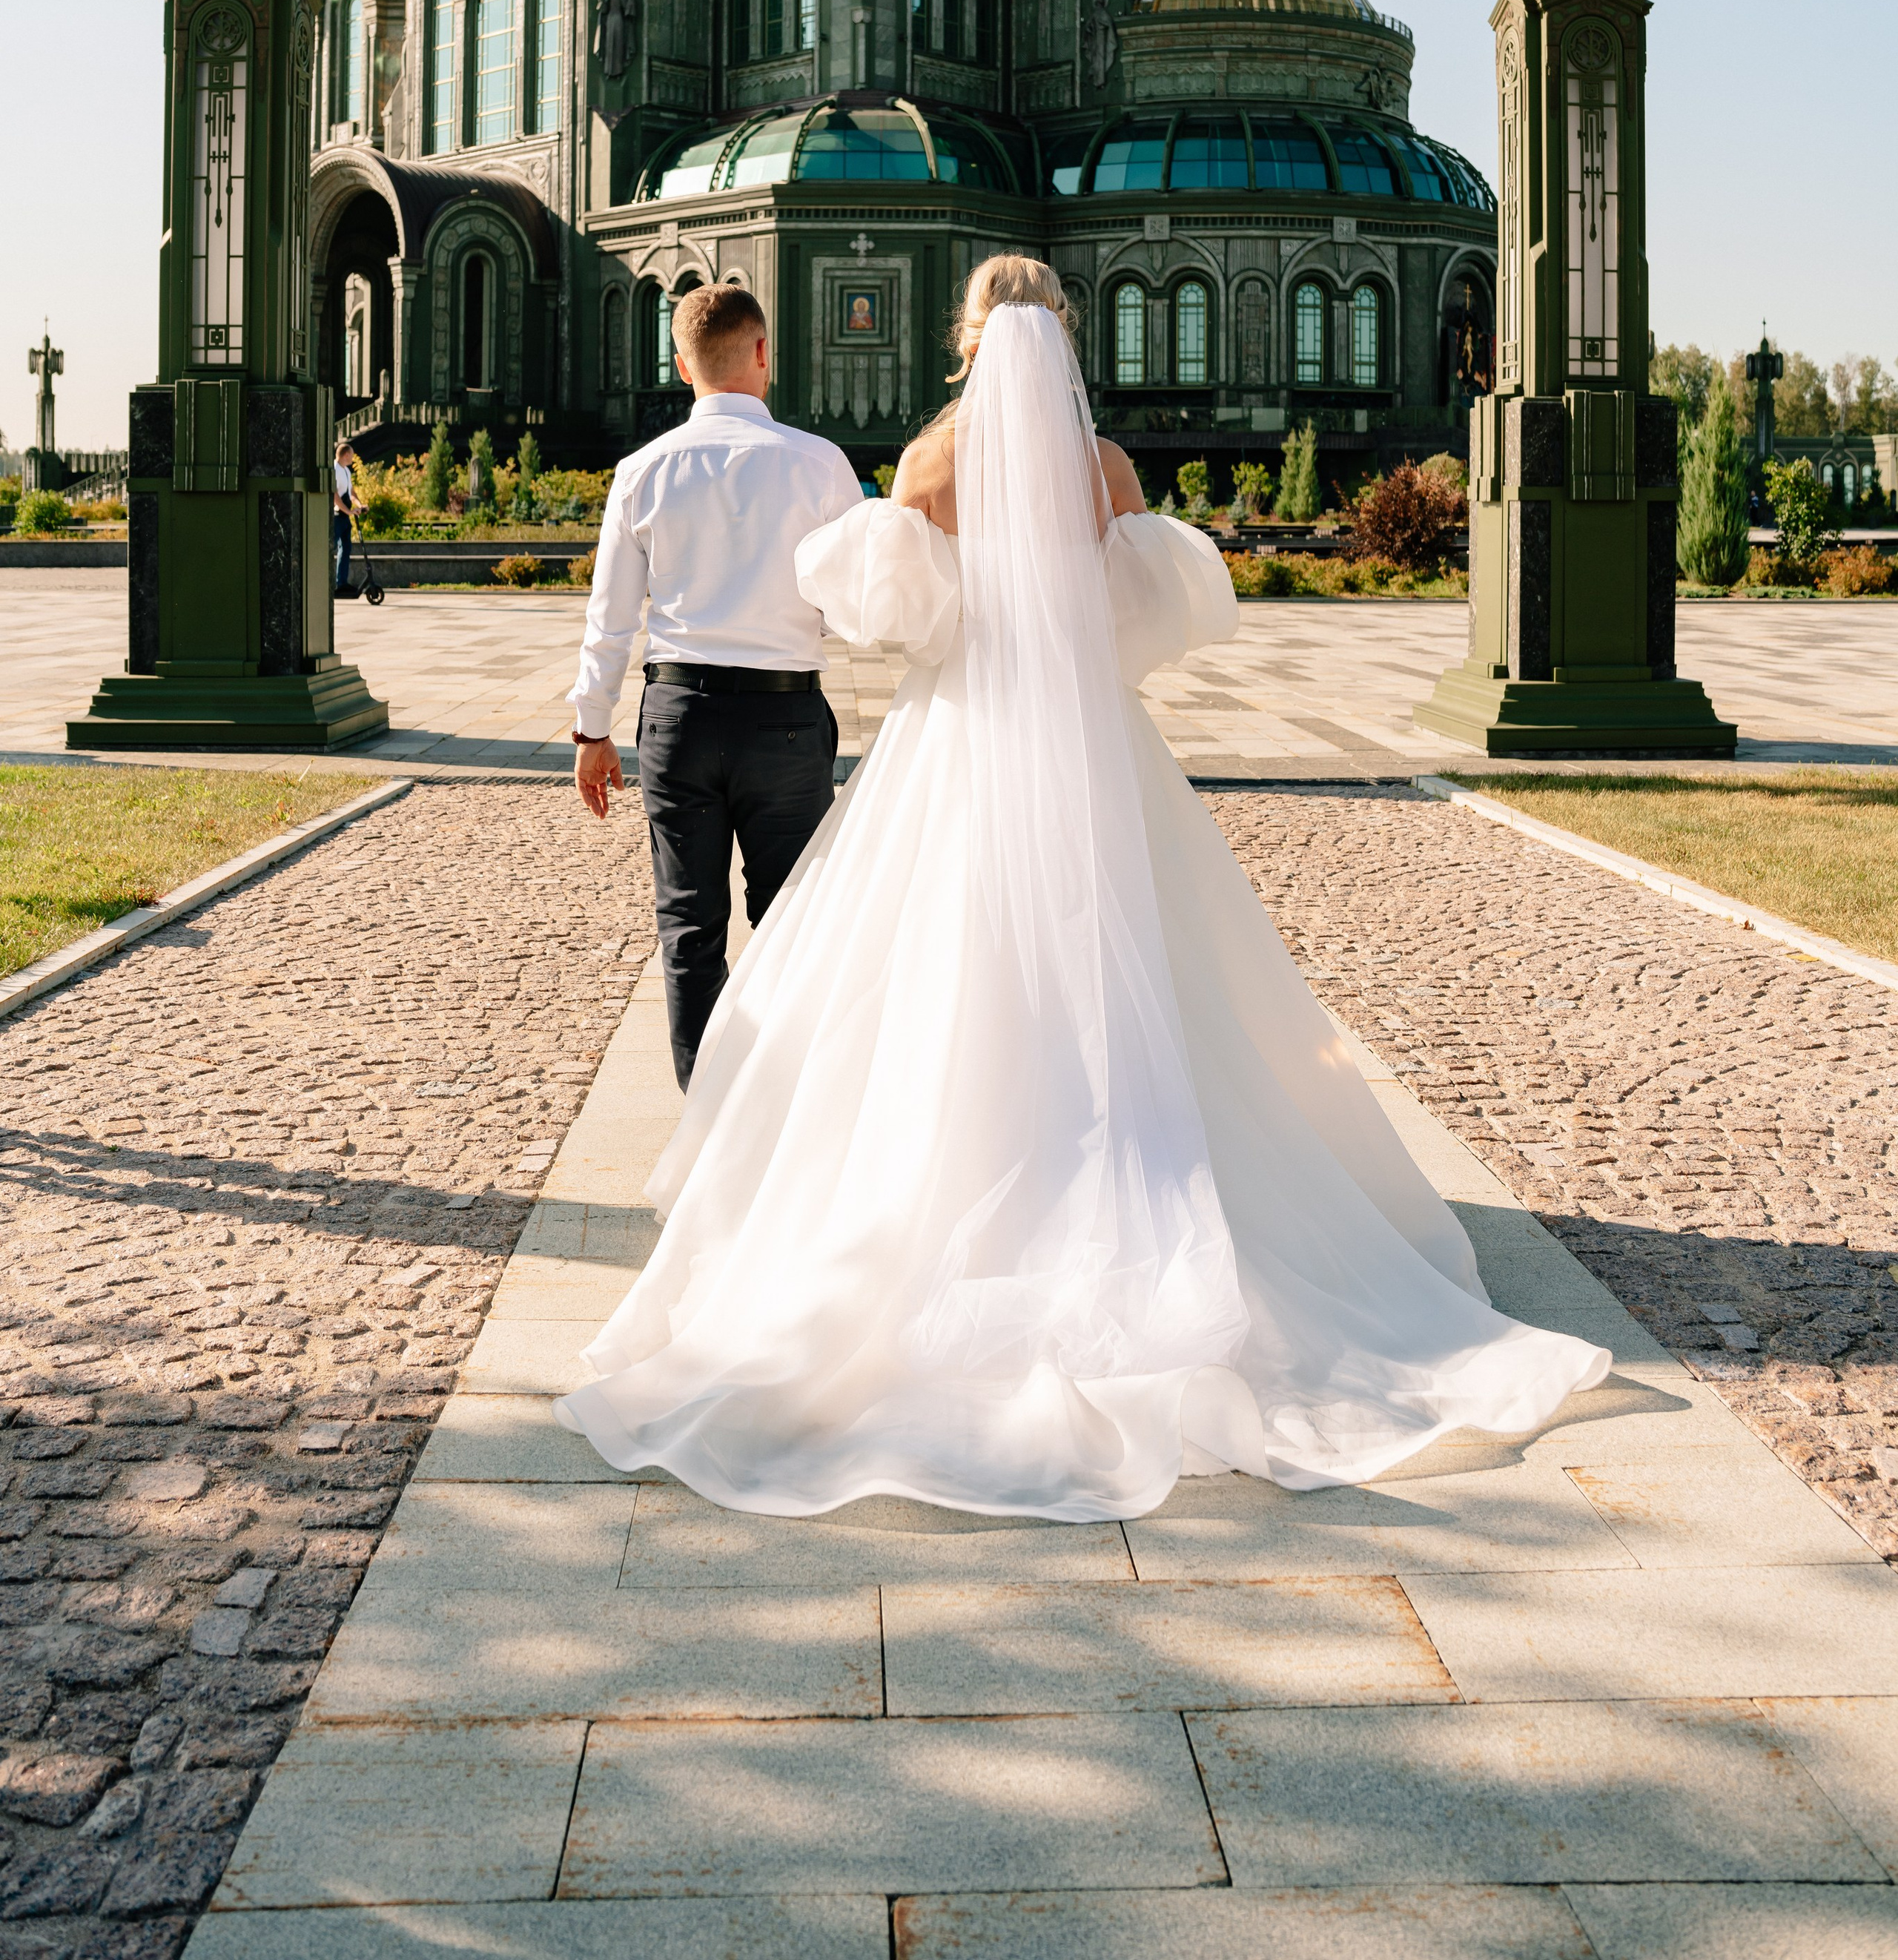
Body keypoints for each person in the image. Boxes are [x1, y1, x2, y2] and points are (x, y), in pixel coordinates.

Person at [556, 256, 1609, 1521]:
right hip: (1098, 753)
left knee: (931, 970)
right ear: (1061, 339)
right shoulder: (1108, 469)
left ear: (966, 340)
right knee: (1138, 959)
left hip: (961, 739)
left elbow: (906, 624)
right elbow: (1138, 620)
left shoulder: (932, 463)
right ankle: (1145, 1179)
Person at [568, 283, 861, 1089]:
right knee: (790, 920)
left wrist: (593, 731)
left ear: (680, 362)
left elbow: (611, 619)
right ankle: (781, 1107)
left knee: (689, 925)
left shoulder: (642, 470)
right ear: (763, 354)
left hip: (681, 716)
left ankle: (706, 1112)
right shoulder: (822, 465)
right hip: (787, 718)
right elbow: (852, 600)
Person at [331, 440, 361, 596]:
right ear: (346, 454)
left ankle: (341, 583)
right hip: (336, 516)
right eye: (352, 455)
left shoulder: (347, 471)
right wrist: (348, 511)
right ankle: (331, 583)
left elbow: (352, 492)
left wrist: (360, 505)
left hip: (344, 517)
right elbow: (334, 494)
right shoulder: (334, 469)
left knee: (346, 548)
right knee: (331, 548)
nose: (353, 458)